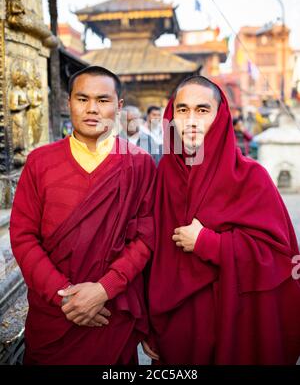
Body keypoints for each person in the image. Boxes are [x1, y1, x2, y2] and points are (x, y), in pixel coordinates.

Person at [142, 75, 300, 365]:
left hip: (234, 316)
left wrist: (210, 243)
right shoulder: (162, 174)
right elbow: (148, 251)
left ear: (220, 117)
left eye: (202, 110)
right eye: (182, 110)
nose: (191, 120)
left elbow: (280, 257)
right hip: (176, 320)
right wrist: (147, 323)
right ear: (171, 117)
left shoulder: (252, 177)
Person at [10, 65, 156, 365]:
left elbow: (146, 237)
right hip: (54, 314)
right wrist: (62, 295)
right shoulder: (41, 162)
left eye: (103, 100)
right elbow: (23, 237)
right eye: (82, 99)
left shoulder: (139, 165)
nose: (92, 109)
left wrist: (105, 288)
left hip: (110, 313)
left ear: (118, 107)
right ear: (69, 103)